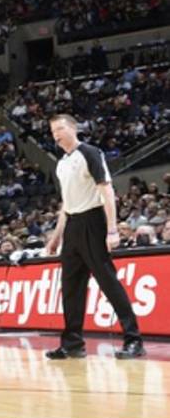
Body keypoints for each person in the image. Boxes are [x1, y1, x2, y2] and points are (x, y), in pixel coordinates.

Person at [44, 114, 145, 360]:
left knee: (108, 282)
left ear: (73, 128)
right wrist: (56, 237)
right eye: (53, 131)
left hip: (93, 221)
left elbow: (106, 190)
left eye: (60, 128)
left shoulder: (90, 153)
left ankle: (133, 340)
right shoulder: (61, 164)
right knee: (70, 287)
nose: (56, 135)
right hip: (72, 226)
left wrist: (112, 229)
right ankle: (72, 343)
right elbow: (66, 204)